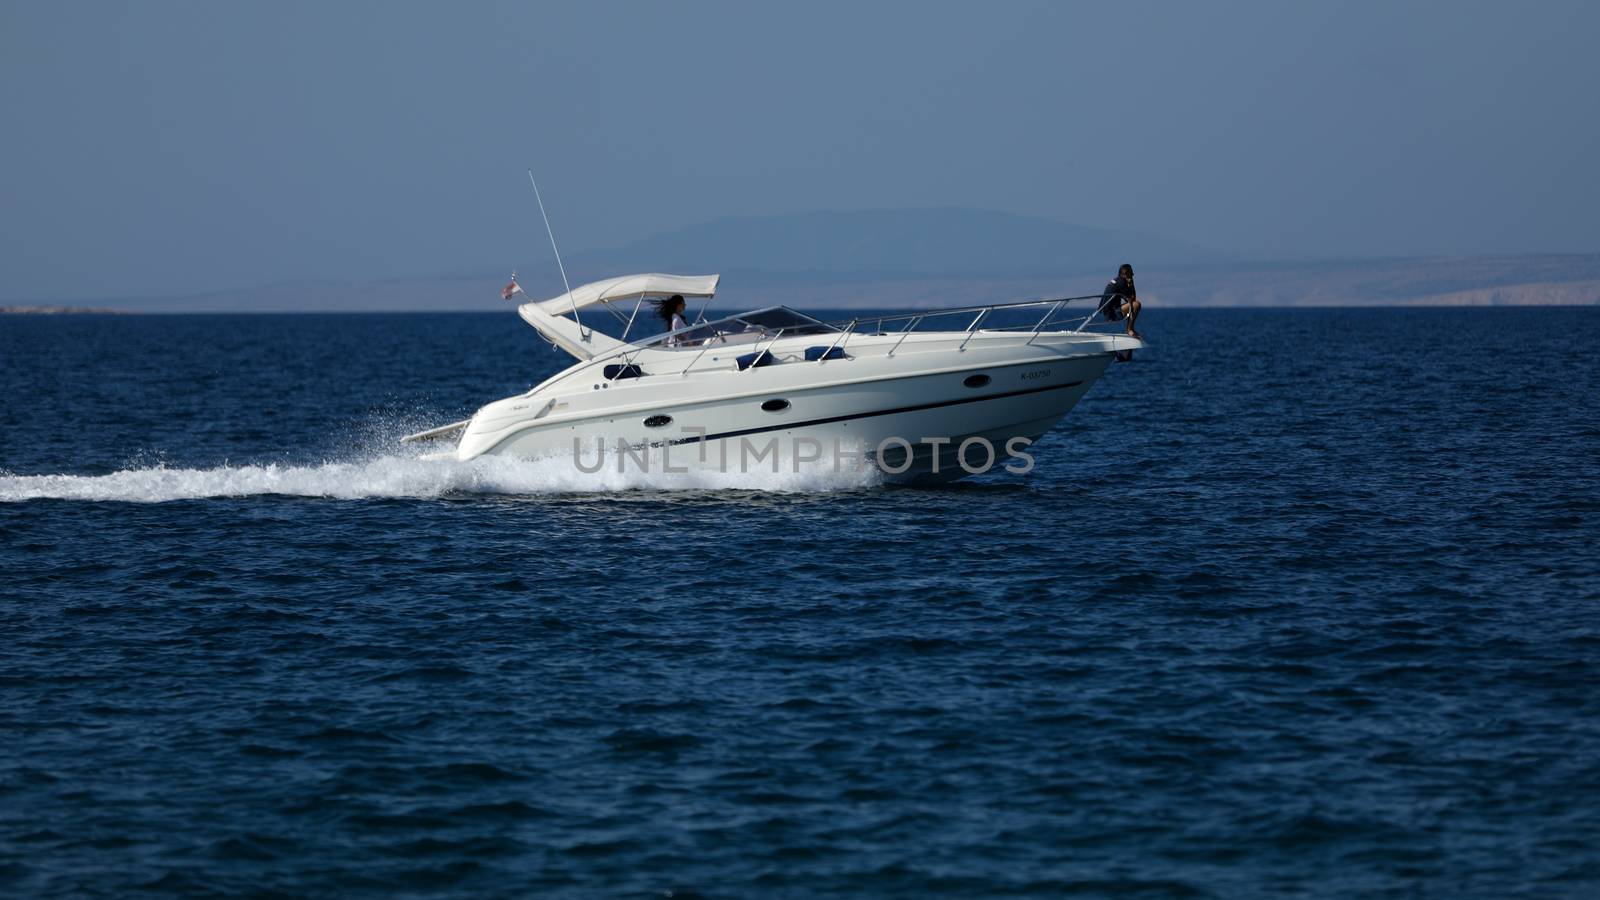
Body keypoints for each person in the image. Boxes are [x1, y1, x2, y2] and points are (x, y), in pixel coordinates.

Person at [1099, 263, 1143, 340]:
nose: (1133, 274)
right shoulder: (1122, 282)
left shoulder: (1117, 281)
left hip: (1108, 312)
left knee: (1134, 304)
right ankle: (1129, 330)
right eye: (1131, 272)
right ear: (1125, 274)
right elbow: (1132, 300)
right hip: (1111, 314)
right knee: (1137, 305)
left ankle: (1130, 330)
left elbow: (1130, 299)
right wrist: (1132, 284)